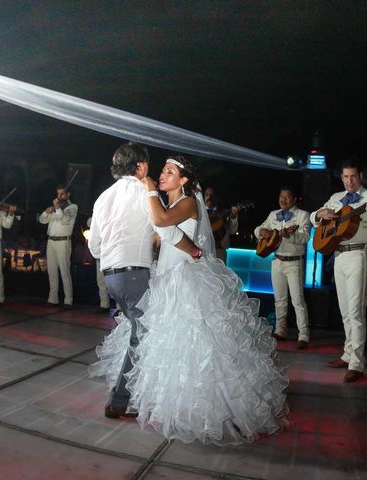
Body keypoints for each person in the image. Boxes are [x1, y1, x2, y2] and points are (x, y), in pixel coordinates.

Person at [90, 154, 288, 445]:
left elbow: (161, 222)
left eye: (169, 172)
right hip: (165, 277)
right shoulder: (170, 204)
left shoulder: (187, 202)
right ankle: (160, 401)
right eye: (163, 171)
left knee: (194, 343)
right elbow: (161, 235)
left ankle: (207, 408)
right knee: (161, 343)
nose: (162, 175)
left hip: (184, 279)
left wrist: (150, 191)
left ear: (183, 181)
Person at [87, 142, 199, 420]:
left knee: (144, 333)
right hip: (134, 274)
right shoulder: (143, 192)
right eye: (147, 163)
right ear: (140, 166)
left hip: (110, 277)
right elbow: (166, 230)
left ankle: (143, 393)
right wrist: (194, 251)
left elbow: (95, 246)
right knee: (145, 334)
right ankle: (120, 398)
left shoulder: (103, 196)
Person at [310, 157, 367, 382]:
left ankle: (356, 363)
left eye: (353, 176)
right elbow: (315, 219)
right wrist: (319, 215)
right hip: (339, 256)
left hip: (360, 254)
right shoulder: (335, 198)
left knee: (355, 311)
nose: (349, 181)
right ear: (341, 178)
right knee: (344, 310)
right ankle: (347, 353)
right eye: (345, 177)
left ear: (360, 177)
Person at [254, 186, 311, 349]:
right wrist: (263, 231)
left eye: (287, 197)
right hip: (276, 261)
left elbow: (305, 238)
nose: (283, 199)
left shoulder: (303, 215)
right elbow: (257, 229)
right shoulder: (273, 215)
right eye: (281, 196)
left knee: (298, 300)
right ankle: (281, 331)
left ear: (294, 199)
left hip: (295, 262)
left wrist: (290, 235)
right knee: (279, 299)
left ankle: (304, 335)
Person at [38, 184, 78, 308]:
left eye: (62, 194)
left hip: (63, 242)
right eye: (58, 194)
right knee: (52, 271)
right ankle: (52, 298)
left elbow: (64, 219)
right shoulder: (56, 208)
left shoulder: (72, 207)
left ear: (67, 195)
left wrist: (57, 209)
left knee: (64, 271)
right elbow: (42, 220)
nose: (59, 196)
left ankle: (68, 300)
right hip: (51, 241)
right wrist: (46, 212)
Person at [203, 186, 239, 263]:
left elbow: (232, 231)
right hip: (202, 249)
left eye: (212, 195)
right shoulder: (198, 211)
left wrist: (233, 216)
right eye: (207, 194)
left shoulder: (223, 212)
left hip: (219, 250)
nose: (209, 197)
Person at [87, 215, 111, 314]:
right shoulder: (99, 209)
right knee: (101, 280)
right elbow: (89, 222)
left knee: (115, 279)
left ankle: (120, 307)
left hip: (113, 248)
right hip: (100, 250)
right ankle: (104, 304)